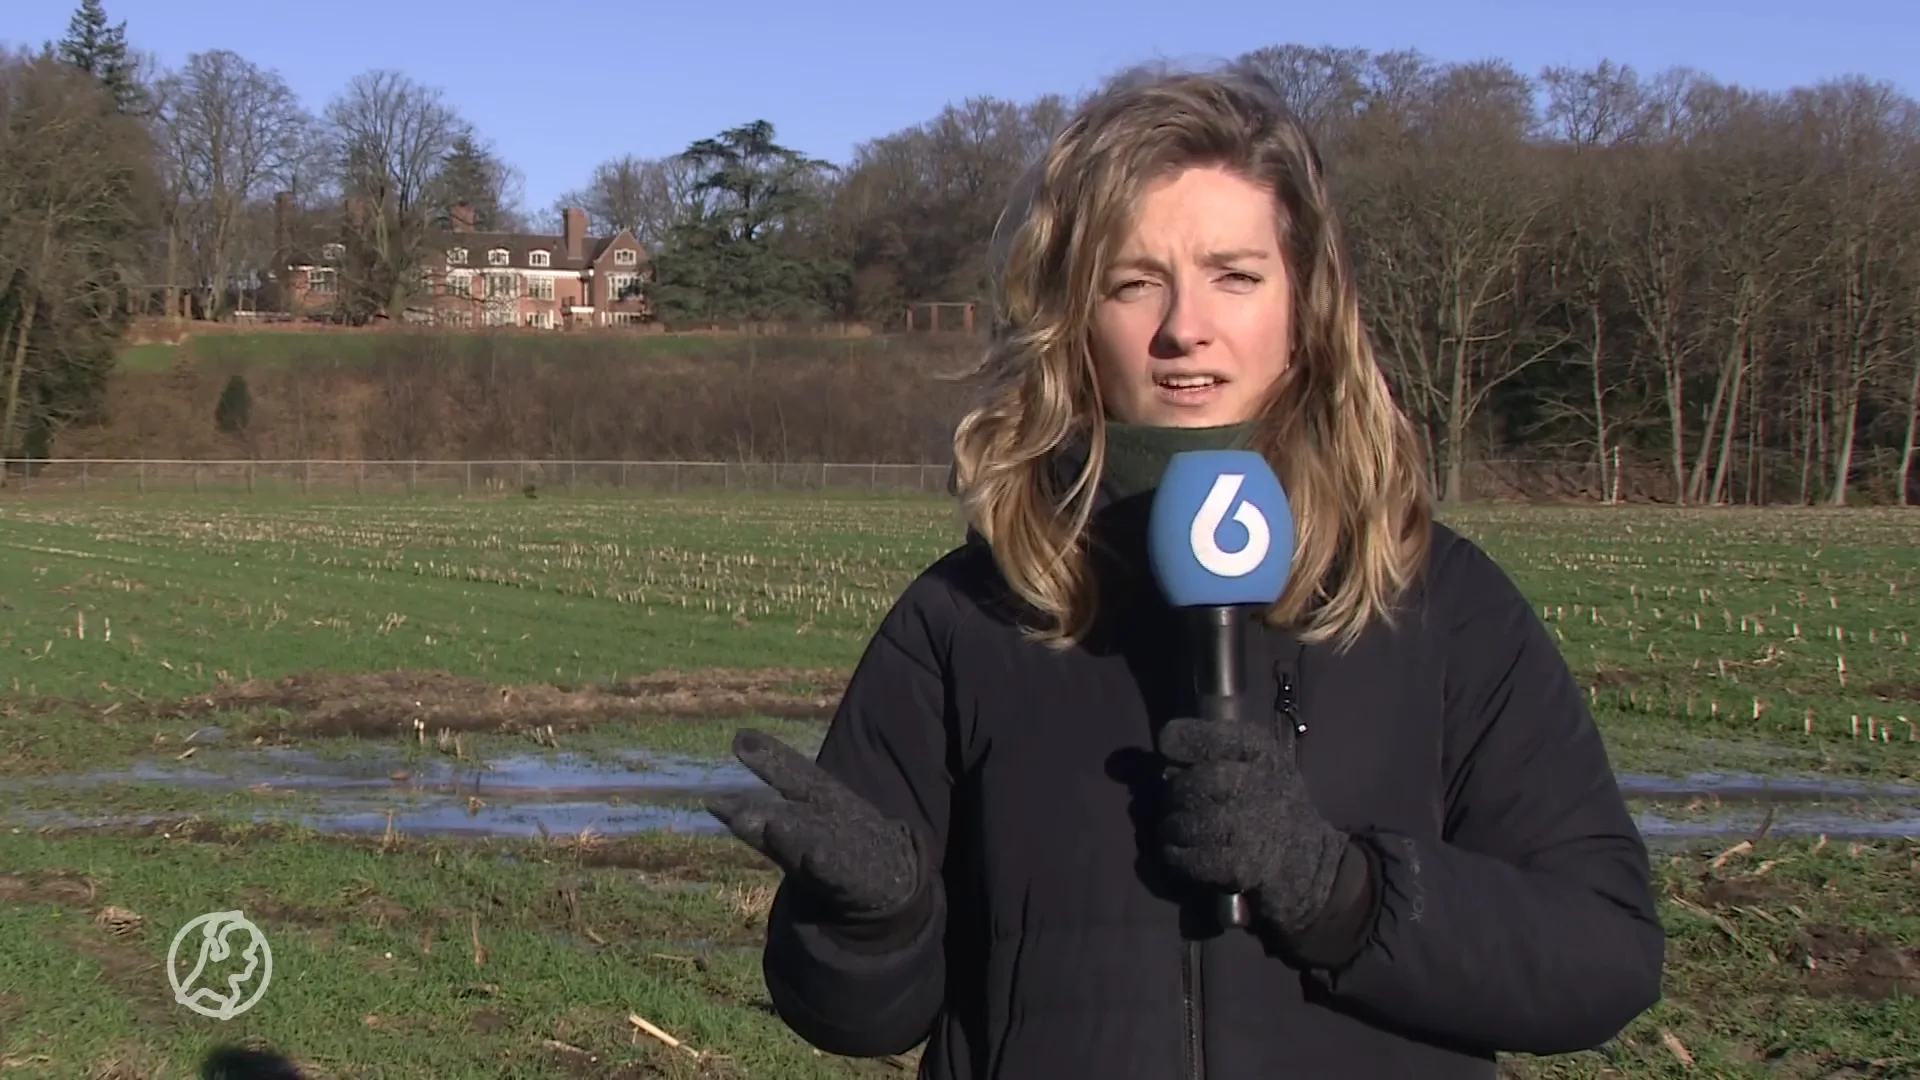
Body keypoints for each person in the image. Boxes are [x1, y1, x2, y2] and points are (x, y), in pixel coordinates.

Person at [706, 62, 1665, 1079]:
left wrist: (1345, 894)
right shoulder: (965, 621)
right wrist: (873, 925)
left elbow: (1604, 956)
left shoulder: (1436, 604)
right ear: (1073, 321)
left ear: (1306, 307)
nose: (1184, 328)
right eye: (1133, 282)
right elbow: (851, 1019)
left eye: (1234, 275)